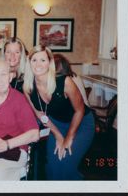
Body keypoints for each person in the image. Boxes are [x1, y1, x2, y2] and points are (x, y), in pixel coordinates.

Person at [23, 45, 94, 180]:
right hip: (56, 124)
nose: (38, 64)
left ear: (50, 63)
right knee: (52, 166)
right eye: (34, 60)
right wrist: (58, 136)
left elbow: (80, 110)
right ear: (29, 62)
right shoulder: (28, 87)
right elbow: (40, 114)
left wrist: (68, 138)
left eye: (43, 60)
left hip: (81, 123)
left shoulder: (65, 81)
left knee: (66, 162)